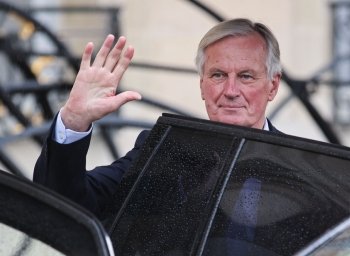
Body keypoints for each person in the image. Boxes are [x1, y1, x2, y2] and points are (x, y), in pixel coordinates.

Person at [33, 18, 283, 216]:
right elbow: (63, 206)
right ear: (202, 85)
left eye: (246, 76)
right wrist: (74, 120)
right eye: (218, 75)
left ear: (272, 86)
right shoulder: (164, 151)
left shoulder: (307, 167)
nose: (230, 91)